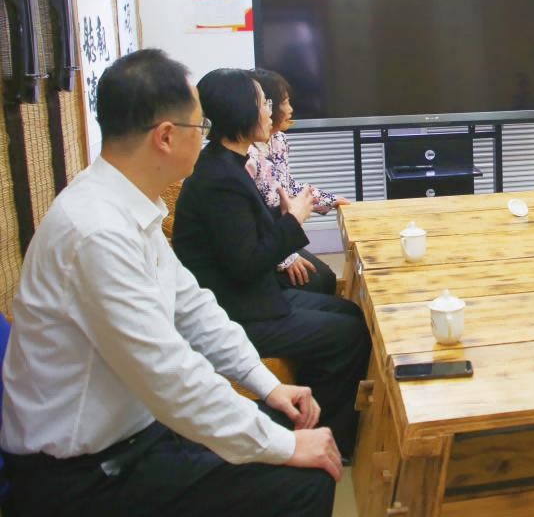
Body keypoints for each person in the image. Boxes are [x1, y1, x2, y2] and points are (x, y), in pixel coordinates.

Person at [0, 49, 340, 517]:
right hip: (83, 474)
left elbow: (193, 307)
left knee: (281, 423)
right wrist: (284, 448)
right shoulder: (95, 232)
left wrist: (265, 384)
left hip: (136, 433)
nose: (205, 137)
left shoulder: (127, 206)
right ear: (165, 136)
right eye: (200, 126)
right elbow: (167, 371)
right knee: (303, 480)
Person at [172, 69, 370, 458]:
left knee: (350, 313)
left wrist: (289, 216)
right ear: (241, 110)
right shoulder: (220, 180)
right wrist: (292, 219)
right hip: (237, 312)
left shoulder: (232, 163)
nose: (270, 111)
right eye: (262, 103)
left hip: (252, 296)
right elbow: (247, 264)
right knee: (350, 334)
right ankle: (331, 437)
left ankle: (316, 412)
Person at [249, 68, 349, 295]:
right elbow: (257, 217)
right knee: (319, 280)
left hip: (280, 235)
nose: (290, 109)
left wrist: (329, 200)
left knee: (325, 278)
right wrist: (286, 258)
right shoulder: (247, 154)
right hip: (264, 243)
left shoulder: (279, 140)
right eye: (284, 102)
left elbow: (287, 186)